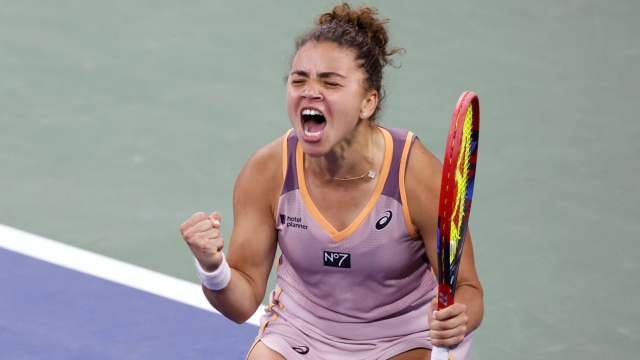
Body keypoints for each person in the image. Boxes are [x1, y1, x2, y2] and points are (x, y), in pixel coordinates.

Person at [179, 3, 483, 359]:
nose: (310, 91)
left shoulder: (415, 176)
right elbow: (241, 303)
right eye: (299, 79)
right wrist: (212, 268)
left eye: (330, 82)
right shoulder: (266, 173)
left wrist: (460, 318)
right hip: (302, 330)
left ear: (367, 103)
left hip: (402, 336)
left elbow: (467, 287)